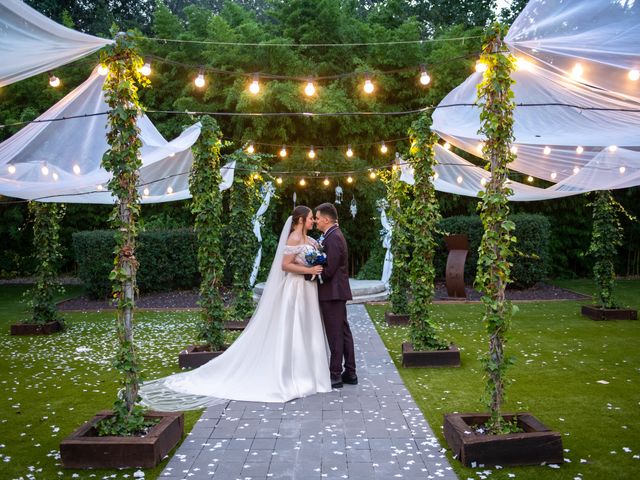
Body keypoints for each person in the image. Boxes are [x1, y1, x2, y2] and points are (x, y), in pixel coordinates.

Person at [139, 206, 331, 410]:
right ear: (300, 220)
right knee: (295, 329)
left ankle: (311, 373)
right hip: (296, 289)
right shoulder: (293, 238)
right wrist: (308, 269)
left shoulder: (310, 240)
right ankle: (293, 374)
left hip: (309, 289)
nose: (313, 221)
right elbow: (285, 265)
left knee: (307, 329)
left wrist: (317, 264)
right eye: (310, 218)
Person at [314, 203, 357, 389]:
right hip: (336, 291)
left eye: (316, 218)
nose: (315, 222)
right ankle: (350, 372)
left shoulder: (333, 238)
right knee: (343, 331)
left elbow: (329, 270)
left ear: (325, 219)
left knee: (335, 333)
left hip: (332, 292)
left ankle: (335, 375)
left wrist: (312, 274)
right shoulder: (331, 236)